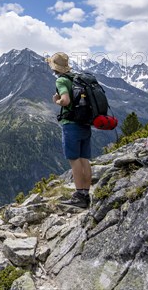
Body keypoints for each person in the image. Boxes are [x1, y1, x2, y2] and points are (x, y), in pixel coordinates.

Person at [46, 52, 92, 208]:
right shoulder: (76, 78)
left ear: (55, 68)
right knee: (84, 159)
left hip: (71, 124)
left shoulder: (62, 81)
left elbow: (65, 100)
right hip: (85, 123)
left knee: (74, 160)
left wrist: (57, 100)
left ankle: (79, 195)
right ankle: (86, 194)